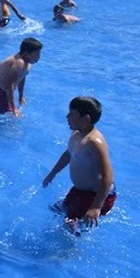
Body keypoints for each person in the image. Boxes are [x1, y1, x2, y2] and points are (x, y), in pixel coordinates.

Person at [42, 96, 116, 230]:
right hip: (80, 191)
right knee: (57, 210)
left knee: (70, 225)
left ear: (86, 119)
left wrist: (96, 206)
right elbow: (68, 154)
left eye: (72, 114)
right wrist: (53, 173)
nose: (67, 116)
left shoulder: (94, 142)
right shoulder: (76, 134)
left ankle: (71, 249)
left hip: (96, 195)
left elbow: (108, 176)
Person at [0, 37, 42, 116]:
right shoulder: (19, 63)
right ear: (26, 54)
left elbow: (22, 78)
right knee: (3, 117)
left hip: (4, 92)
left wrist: (21, 97)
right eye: (37, 54)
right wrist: (14, 108)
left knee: (9, 116)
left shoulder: (28, 63)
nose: (39, 57)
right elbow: (10, 86)